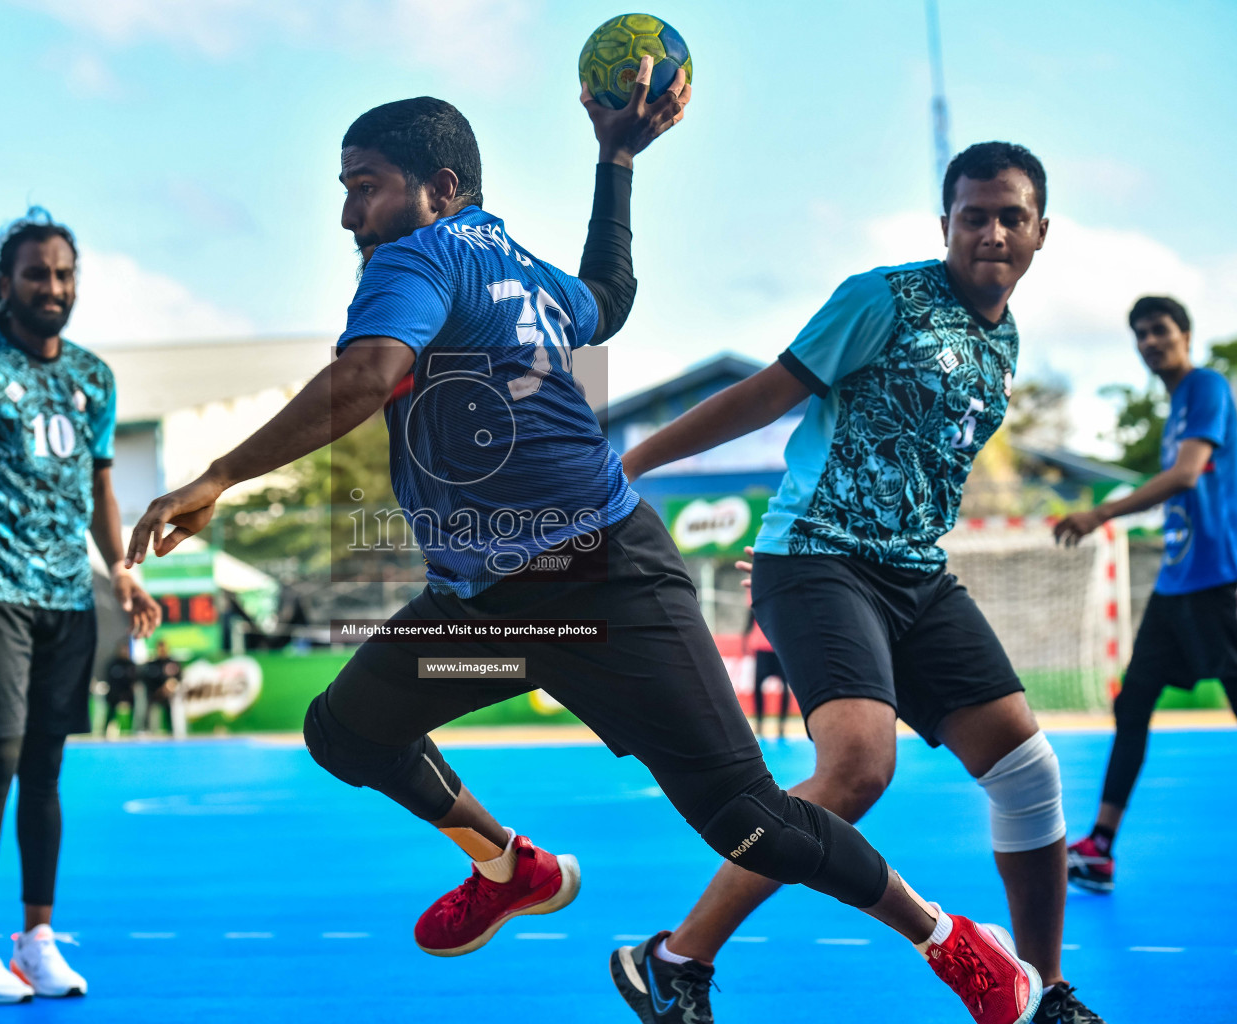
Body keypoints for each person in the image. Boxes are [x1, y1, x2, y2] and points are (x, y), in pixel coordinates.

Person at [129, 71, 1042, 1024]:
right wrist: (614, 162)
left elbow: (366, 373)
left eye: (366, 184)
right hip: (484, 606)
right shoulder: (510, 265)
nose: (351, 213)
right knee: (345, 730)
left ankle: (949, 939)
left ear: (440, 189)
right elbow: (608, 293)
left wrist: (216, 476)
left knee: (746, 817)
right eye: (346, 188)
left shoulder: (416, 258)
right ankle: (510, 865)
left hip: (604, 588)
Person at [622, 142, 1102, 1024]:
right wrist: (638, 459)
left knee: (1030, 774)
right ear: (946, 224)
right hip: (819, 559)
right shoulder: (882, 298)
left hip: (915, 574)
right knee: (854, 770)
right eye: (973, 216)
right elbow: (767, 394)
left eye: (1011, 217)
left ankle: (1039, 993)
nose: (991, 231)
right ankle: (675, 959)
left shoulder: (1006, 337)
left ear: (1041, 232)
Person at [0, 209, 160, 1004]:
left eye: (63, 274)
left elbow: (98, 486)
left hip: (66, 597)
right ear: (6, 282)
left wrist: (120, 570)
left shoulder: (93, 377)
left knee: (47, 771)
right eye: (36, 274)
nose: (52, 287)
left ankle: (38, 940)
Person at [1055, 295, 1237, 894]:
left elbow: (1186, 476)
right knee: (1132, 704)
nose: (1151, 342)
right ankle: (1101, 847)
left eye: (1160, 330)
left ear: (1185, 334)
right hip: (1176, 583)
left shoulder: (1207, 387)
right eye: (1140, 335)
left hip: (1219, 582)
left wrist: (1101, 512)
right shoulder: (1176, 408)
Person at [743, 604, 789, 739]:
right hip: (762, 649)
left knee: (785, 687)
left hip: (779, 648)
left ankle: (782, 724)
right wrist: (745, 643)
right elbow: (749, 622)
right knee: (758, 686)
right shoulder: (756, 602)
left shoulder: (781, 602)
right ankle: (759, 722)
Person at [100, 641, 137, 738]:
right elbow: (109, 679)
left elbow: (135, 680)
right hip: (114, 693)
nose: (124, 651)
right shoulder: (112, 664)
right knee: (110, 713)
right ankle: (105, 731)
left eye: (126, 650)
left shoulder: (131, 665)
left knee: (134, 711)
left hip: (128, 694)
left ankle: (132, 731)